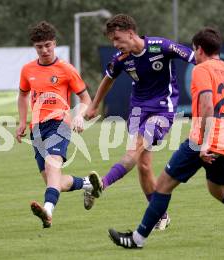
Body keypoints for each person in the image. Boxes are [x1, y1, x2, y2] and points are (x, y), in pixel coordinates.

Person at [108, 27, 224, 248]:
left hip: (202, 140)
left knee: (162, 186)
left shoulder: (202, 69)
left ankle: (137, 239)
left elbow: (208, 106)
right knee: (220, 192)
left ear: (199, 49)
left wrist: (206, 143)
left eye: (194, 50)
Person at [84, 14, 195, 230]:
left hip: (163, 110)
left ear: (130, 33)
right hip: (137, 111)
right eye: (112, 41)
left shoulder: (160, 46)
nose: (115, 44)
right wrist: (94, 105)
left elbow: (194, 58)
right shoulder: (121, 58)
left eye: (117, 38)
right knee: (143, 166)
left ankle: (101, 186)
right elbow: (108, 78)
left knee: (133, 151)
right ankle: (161, 216)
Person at [15, 21, 102, 228]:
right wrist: (22, 122)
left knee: (52, 165)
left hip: (59, 123)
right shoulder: (27, 70)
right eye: (39, 47)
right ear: (34, 47)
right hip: (37, 129)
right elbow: (22, 95)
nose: (44, 50)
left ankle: (48, 211)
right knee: (54, 181)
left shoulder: (66, 69)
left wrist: (80, 115)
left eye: (48, 45)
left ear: (54, 43)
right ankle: (88, 184)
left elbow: (86, 100)